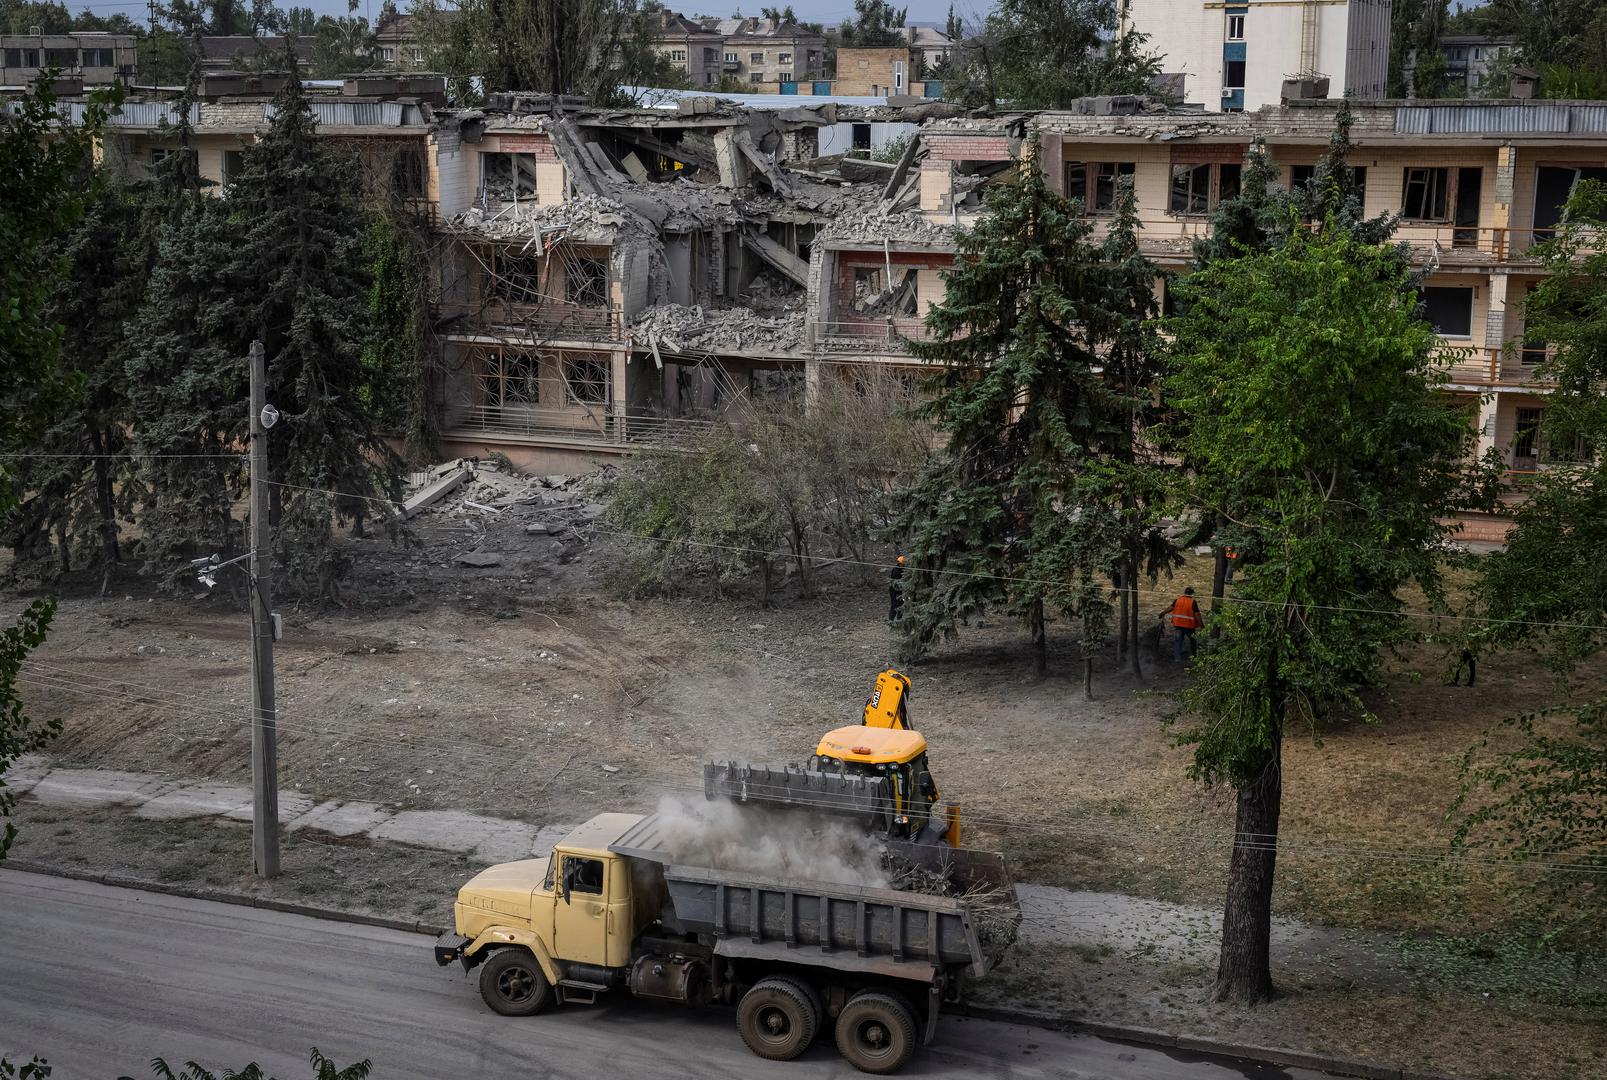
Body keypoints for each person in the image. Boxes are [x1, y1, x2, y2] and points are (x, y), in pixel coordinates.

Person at [1169, 587, 1202, 661]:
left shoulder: (1178, 600)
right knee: (1193, 640)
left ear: (1184, 592)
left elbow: (1170, 608)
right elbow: (1197, 615)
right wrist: (1201, 624)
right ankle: (1194, 656)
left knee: (1177, 641)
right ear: (1192, 594)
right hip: (1189, 626)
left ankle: (1177, 658)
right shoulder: (1193, 602)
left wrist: (1162, 613)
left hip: (1178, 625)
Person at [888, 554, 906, 622]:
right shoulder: (896, 571)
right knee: (894, 605)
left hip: (899, 591)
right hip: (894, 591)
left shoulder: (900, 569)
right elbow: (898, 582)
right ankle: (891, 620)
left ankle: (899, 619)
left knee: (901, 604)